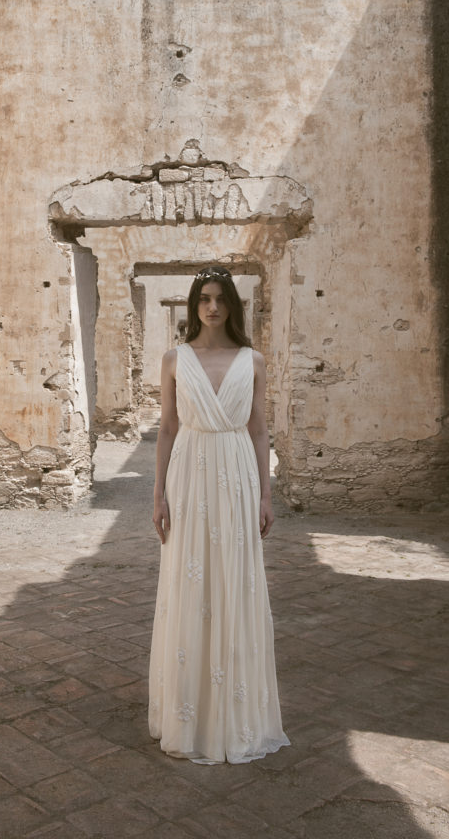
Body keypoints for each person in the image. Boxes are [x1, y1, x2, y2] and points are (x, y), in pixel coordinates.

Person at [148, 265, 290, 764]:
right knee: (190, 584)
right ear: (194, 306)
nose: (212, 307)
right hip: (189, 475)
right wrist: (159, 494)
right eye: (204, 298)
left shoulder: (253, 360)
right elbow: (166, 429)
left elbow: (258, 431)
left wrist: (266, 496)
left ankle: (234, 714)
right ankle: (188, 713)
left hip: (235, 476)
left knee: (234, 583)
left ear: (232, 304)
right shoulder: (173, 359)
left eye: (220, 298)